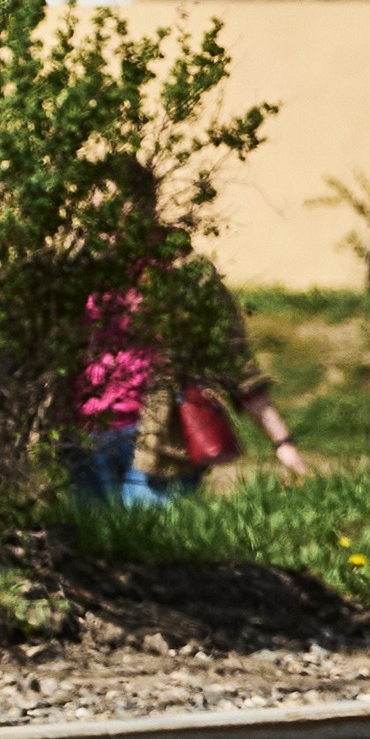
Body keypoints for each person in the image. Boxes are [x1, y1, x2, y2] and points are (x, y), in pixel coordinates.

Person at [74, 167, 306, 506]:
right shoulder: (75, 272)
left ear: (146, 206)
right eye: (96, 206)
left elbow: (235, 359)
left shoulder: (184, 272)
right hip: (84, 440)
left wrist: (282, 442)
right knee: (88, 539)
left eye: (118, 204)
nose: (106, 219)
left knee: (151, 537)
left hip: (158, 438)